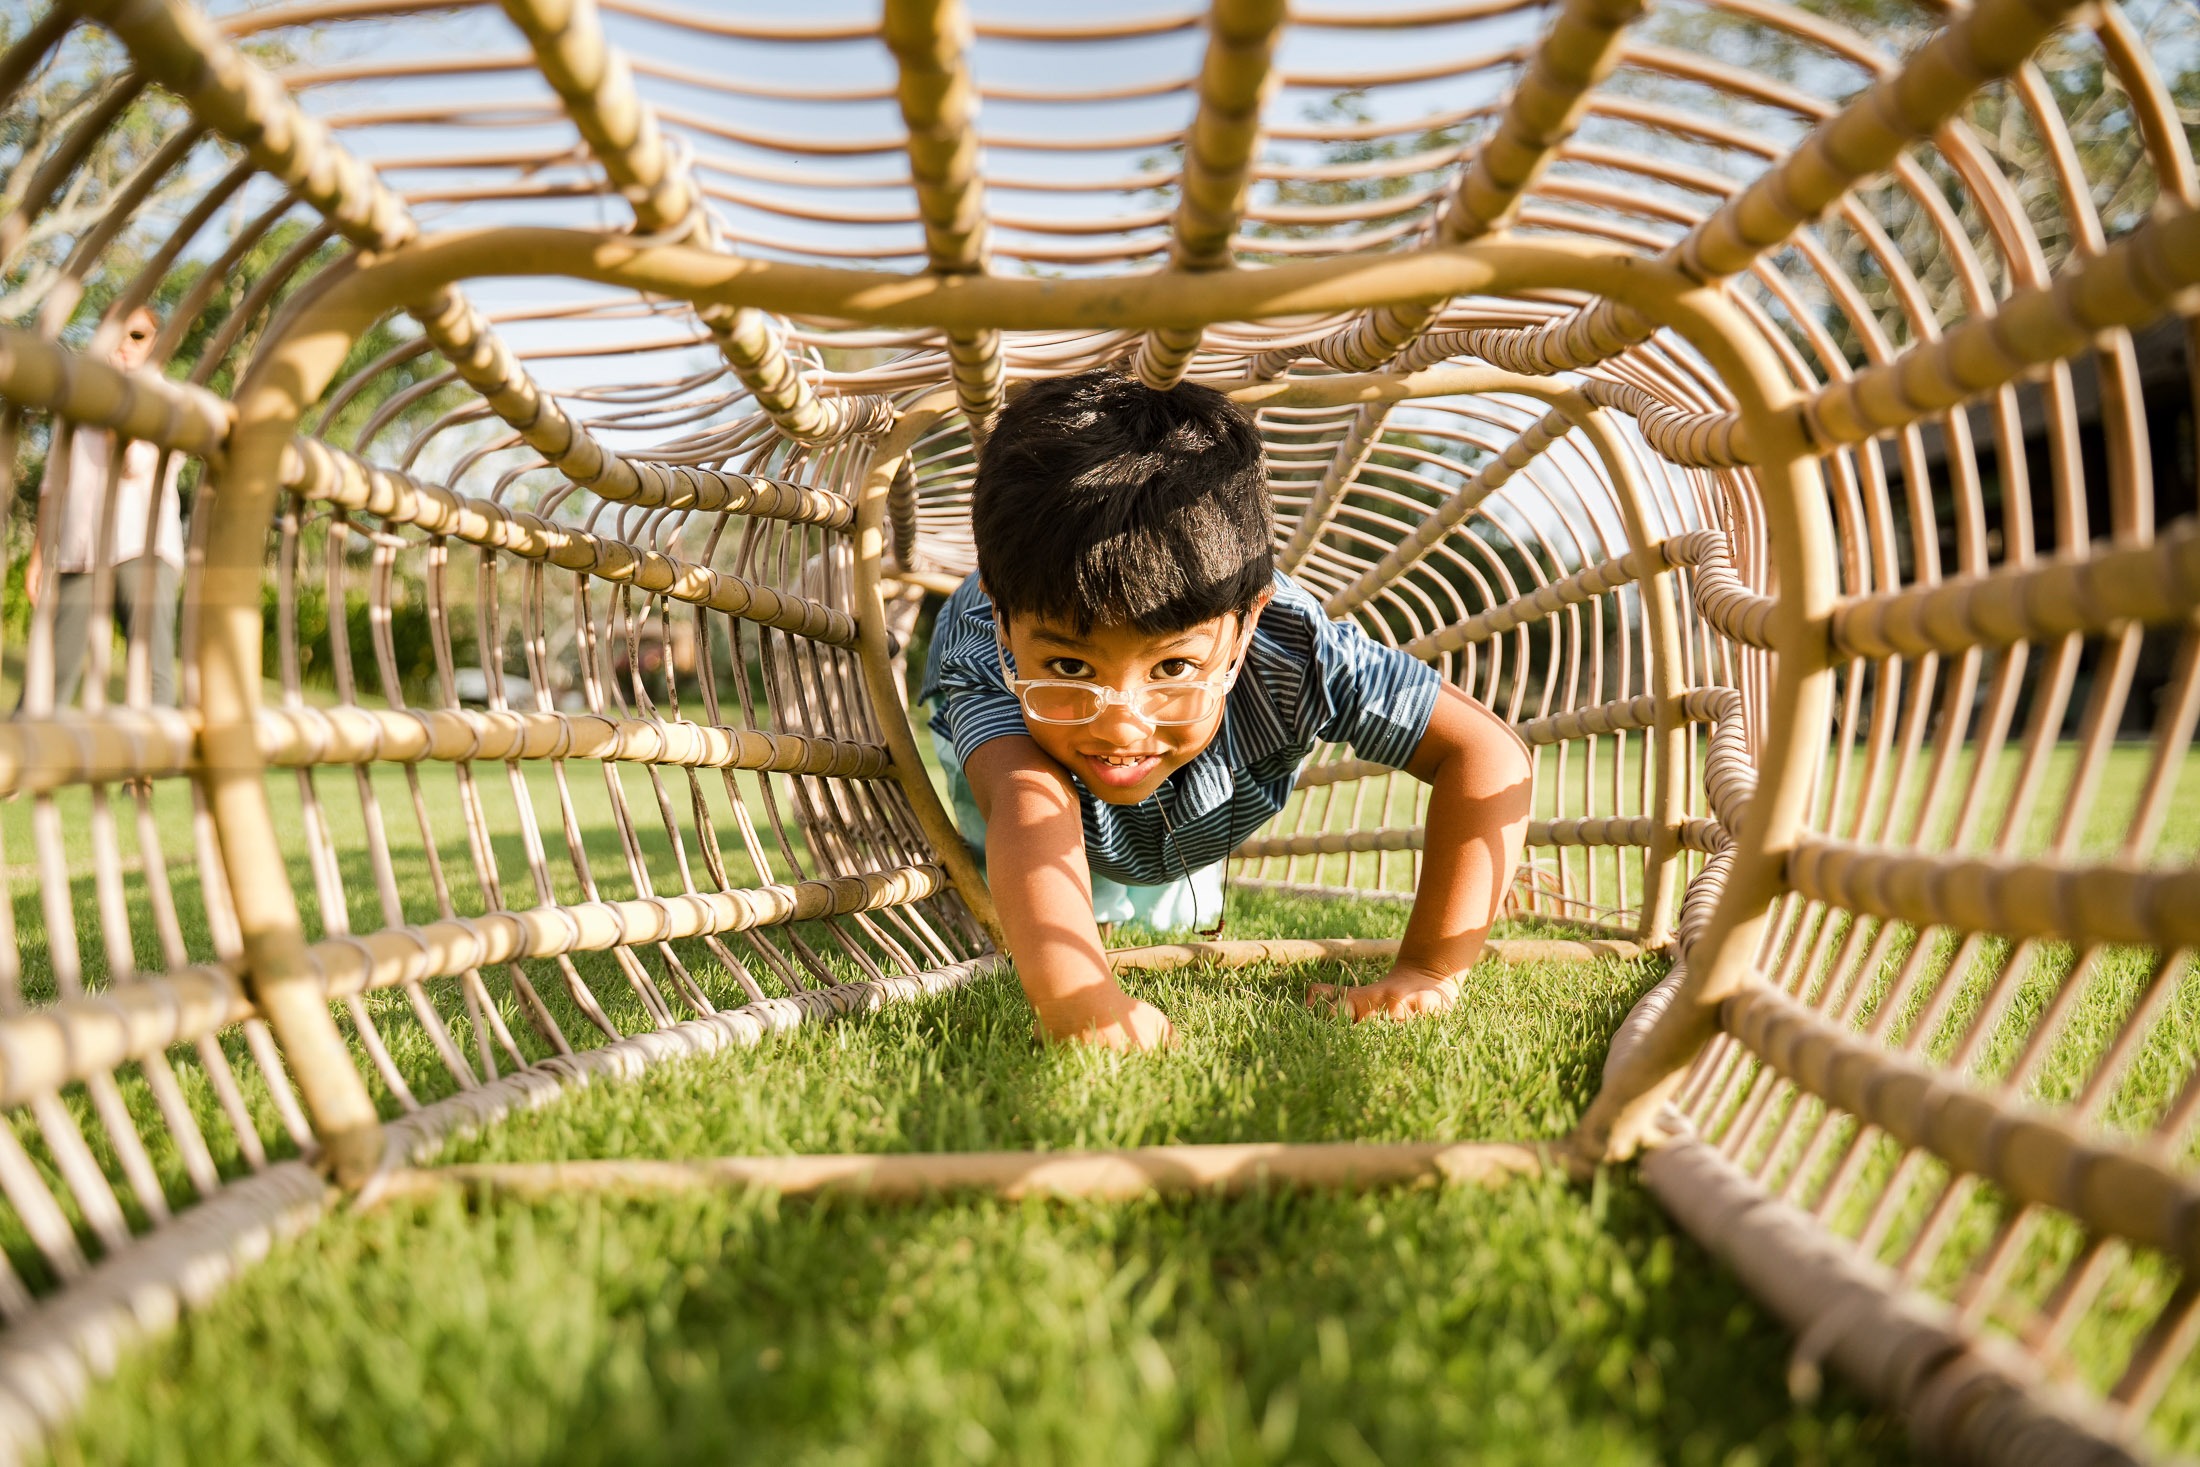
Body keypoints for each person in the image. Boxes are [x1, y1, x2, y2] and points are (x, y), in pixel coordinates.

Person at [921, 369, 1533, 1051]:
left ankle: (1149, 840)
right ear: (1007, 625)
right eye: (1071, 665)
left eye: (1172, 666)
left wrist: (1429, 969)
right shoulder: (987, 655)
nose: (1121, 722)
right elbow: (1027, 805)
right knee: (1019, 887)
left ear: (1245, 627)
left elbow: (1487, 750)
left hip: (1209, 784)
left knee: (1165, 899)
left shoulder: (1297, 652)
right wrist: (1081, 1000)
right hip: (1028, 744)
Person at [28, 306, 185, 708]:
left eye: (137, 336)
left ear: (155, 344)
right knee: (49, 672)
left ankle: (143, 771)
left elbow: (134, 465)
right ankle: (25, 764)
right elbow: (53, 485)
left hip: (140, 547)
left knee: (149, 668)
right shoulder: (75, 399)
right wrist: (38, 556)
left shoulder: (168, 400)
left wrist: (118, 399)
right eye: (116, 332)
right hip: (80, 551)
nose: (123, 344)